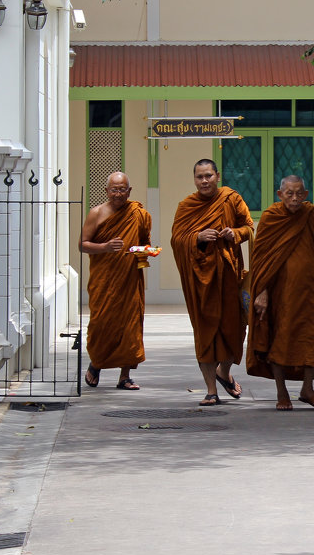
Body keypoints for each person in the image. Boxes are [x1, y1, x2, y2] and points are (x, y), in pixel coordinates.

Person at [247, 176, 314, 410]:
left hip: (313, 289)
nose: (295, 198)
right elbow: (261, 257)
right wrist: (262, 291)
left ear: (305, 194)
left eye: (299, 194)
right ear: (280, 194)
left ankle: (307, 389)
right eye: (289, 193)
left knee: (313, 337)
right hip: (281, 292)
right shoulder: (271, 217)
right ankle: (281, 392)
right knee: (280, 338)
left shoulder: (312, 214)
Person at [171, 159, 254, 406]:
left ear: (217, 176)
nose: (204, 181)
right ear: (194, 179)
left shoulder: (231, 199)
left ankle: (224, 372)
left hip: (229, 278)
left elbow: (249, 228)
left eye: (208, 175)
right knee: (205, 335)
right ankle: (211, 390)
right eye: (199, 177)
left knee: (236, 330)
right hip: (201, 283)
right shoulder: (186, 206)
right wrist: (197, 237)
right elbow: (177, 239)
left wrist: (234, 233)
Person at [78, 172, 153, 390]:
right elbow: (83, 244)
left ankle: (125, 376)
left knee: (130, 326)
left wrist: (147, 251)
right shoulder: (97, 213)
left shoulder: (139, 214)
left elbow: (144, 243)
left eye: (122, 189)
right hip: (105, 280)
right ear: (106, 191)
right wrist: (105, 247)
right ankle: (97, 364)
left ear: (129, 191)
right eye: (114, 189)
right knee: (101, 323)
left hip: (130, 279)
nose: (118, 194)